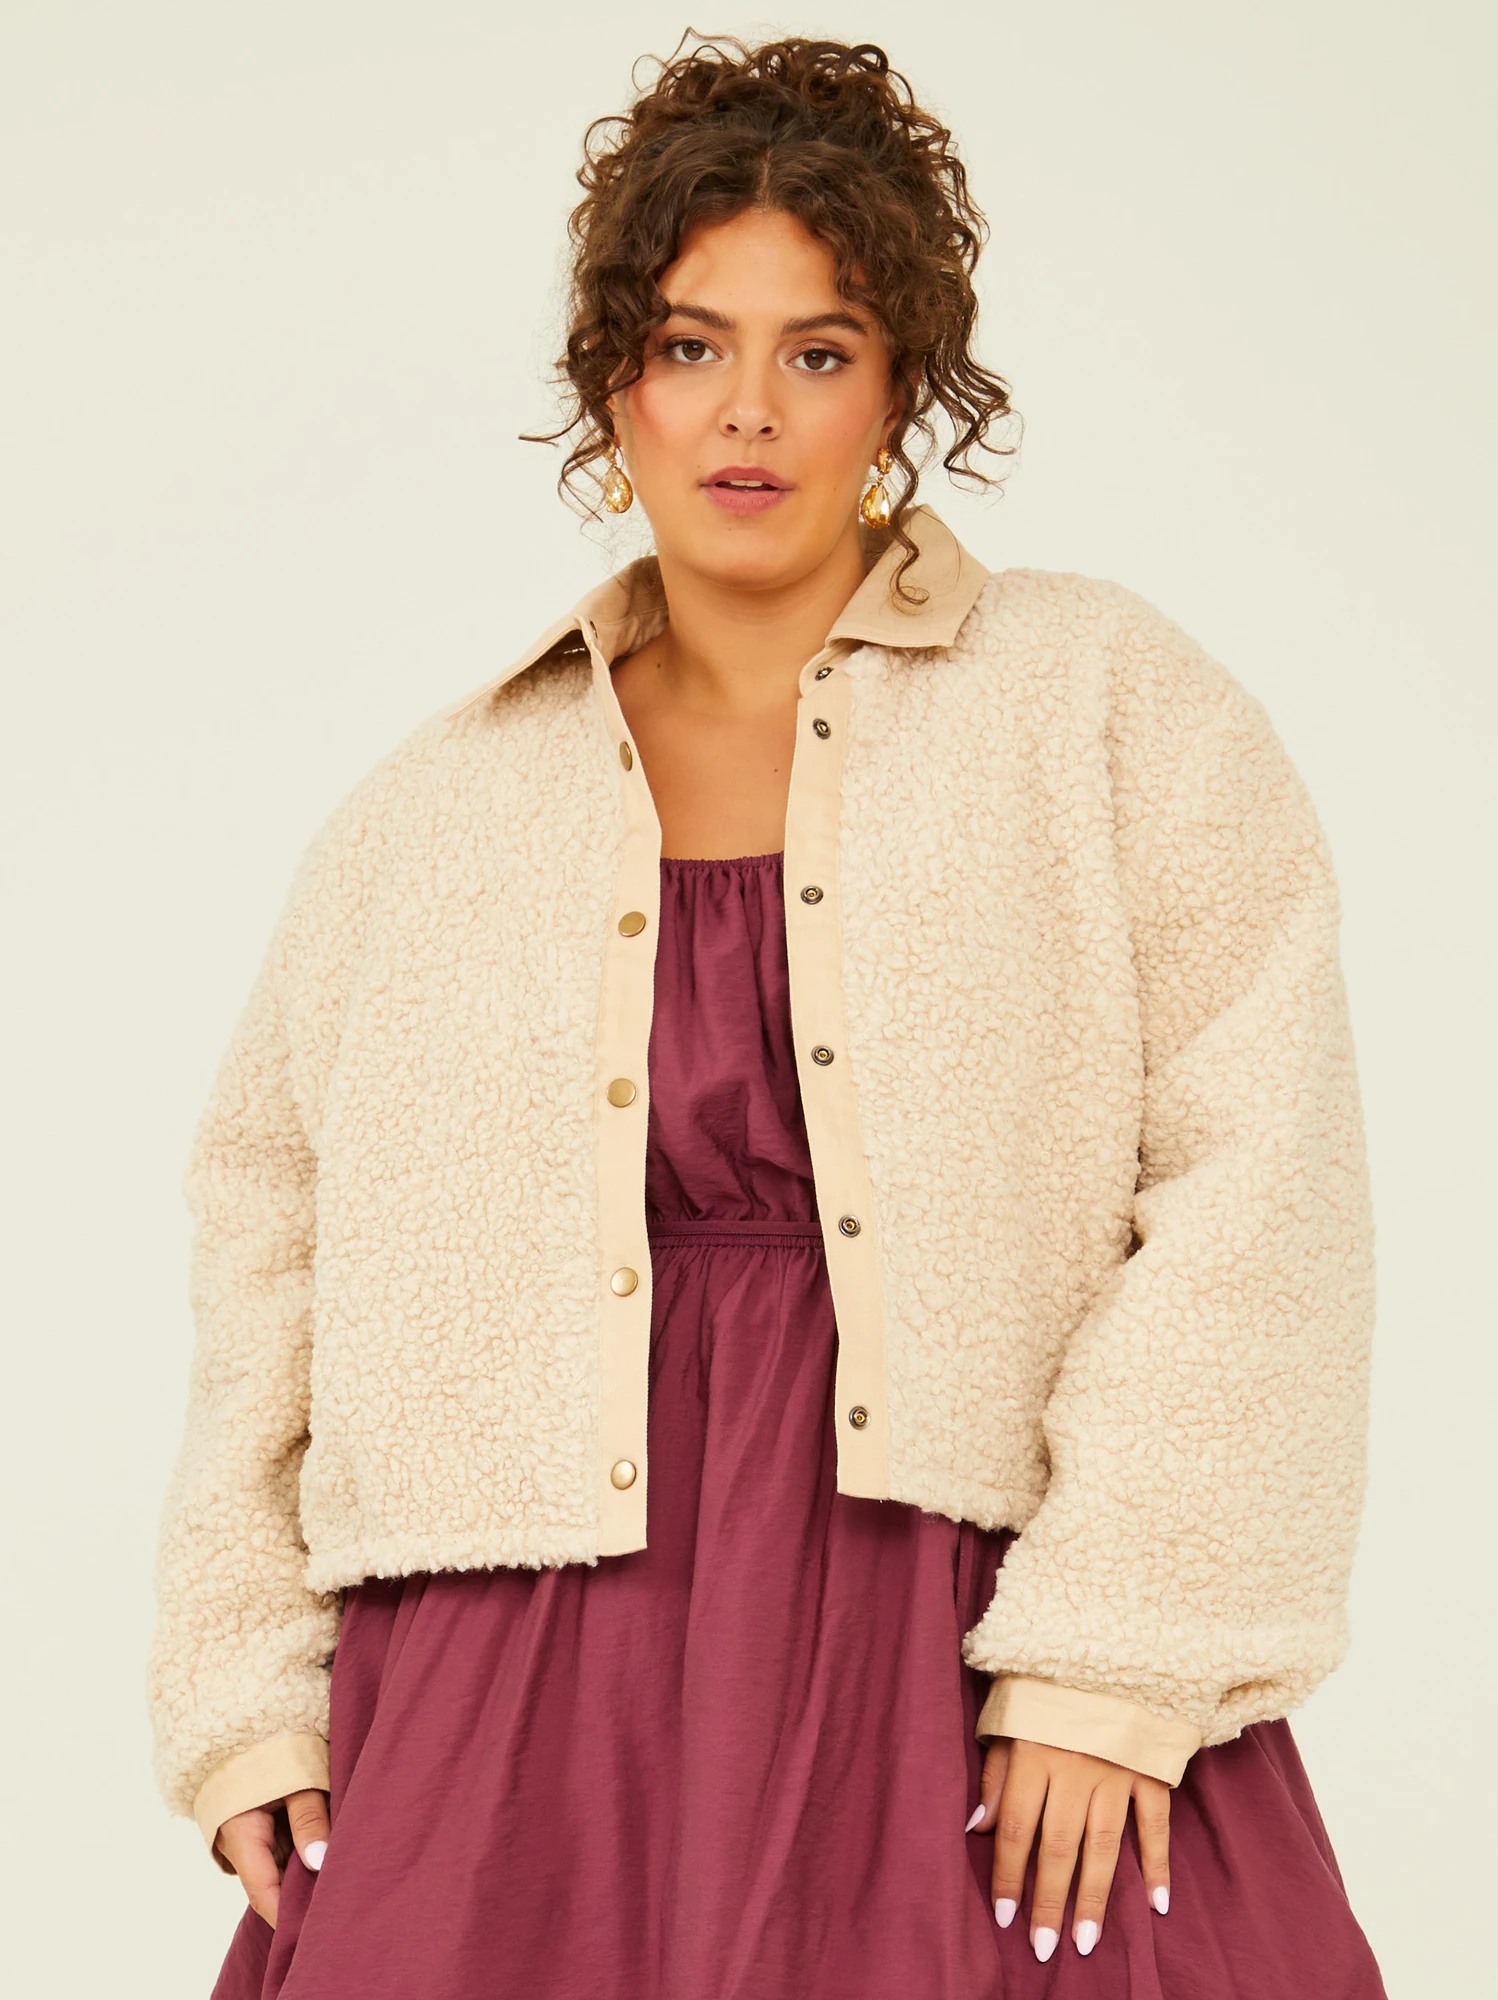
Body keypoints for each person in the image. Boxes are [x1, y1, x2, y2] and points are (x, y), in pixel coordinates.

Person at [149, 34, 1386, 1999]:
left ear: (900, 388)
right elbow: (267, 1240)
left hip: (967, 1626)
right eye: (687, 345)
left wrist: (1120, 1646)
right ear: (611, 387)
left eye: (818, 350)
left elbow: (1261, 1187)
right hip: (516, 1664)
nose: (746, 411)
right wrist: (241, 1691)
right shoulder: (432, 806)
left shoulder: (1102, 705)